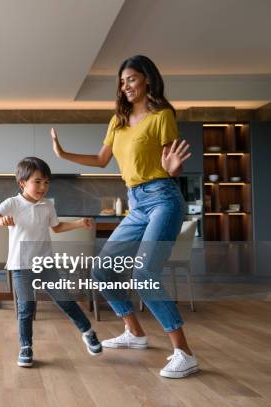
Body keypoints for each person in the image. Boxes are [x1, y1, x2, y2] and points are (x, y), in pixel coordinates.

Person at [50, 55, 198, 378]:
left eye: (131, 79)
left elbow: (171, 161)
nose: (125, 86)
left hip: (163, 198)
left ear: (146, 79)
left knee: (144, 274)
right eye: (121, 81)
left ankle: (184, 352)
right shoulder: (117, 120)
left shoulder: (162, 116)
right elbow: (103, 159)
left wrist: (175, 171)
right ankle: (134, 332)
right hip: (135, 203)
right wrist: (63, 154)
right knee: (102, 270)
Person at [0, 156, 101, 368]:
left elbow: (56, 227)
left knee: (65, 301)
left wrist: (78, 223)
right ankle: (25, 347)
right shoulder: (12, 203)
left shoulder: (47, 205)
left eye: (46, 182)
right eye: (37, 181)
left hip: (45, 264)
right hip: (21, 265)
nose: (43, 186)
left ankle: (88, 332)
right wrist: (0, 220)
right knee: (26, 308)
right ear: (22, 183)